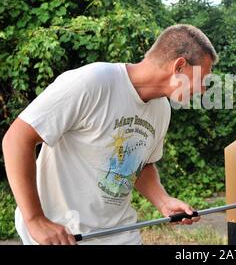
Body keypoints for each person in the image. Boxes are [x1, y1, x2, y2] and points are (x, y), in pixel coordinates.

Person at [2, 24, 218, 245]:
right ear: (179, 66)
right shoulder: (92, 82)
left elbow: (141, 164)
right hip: (65, 236)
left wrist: (162, 201)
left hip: (122, 234)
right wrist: (35, 219)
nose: (203, 89)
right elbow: (17, 139)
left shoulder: (161, 109)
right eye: (202, 78)